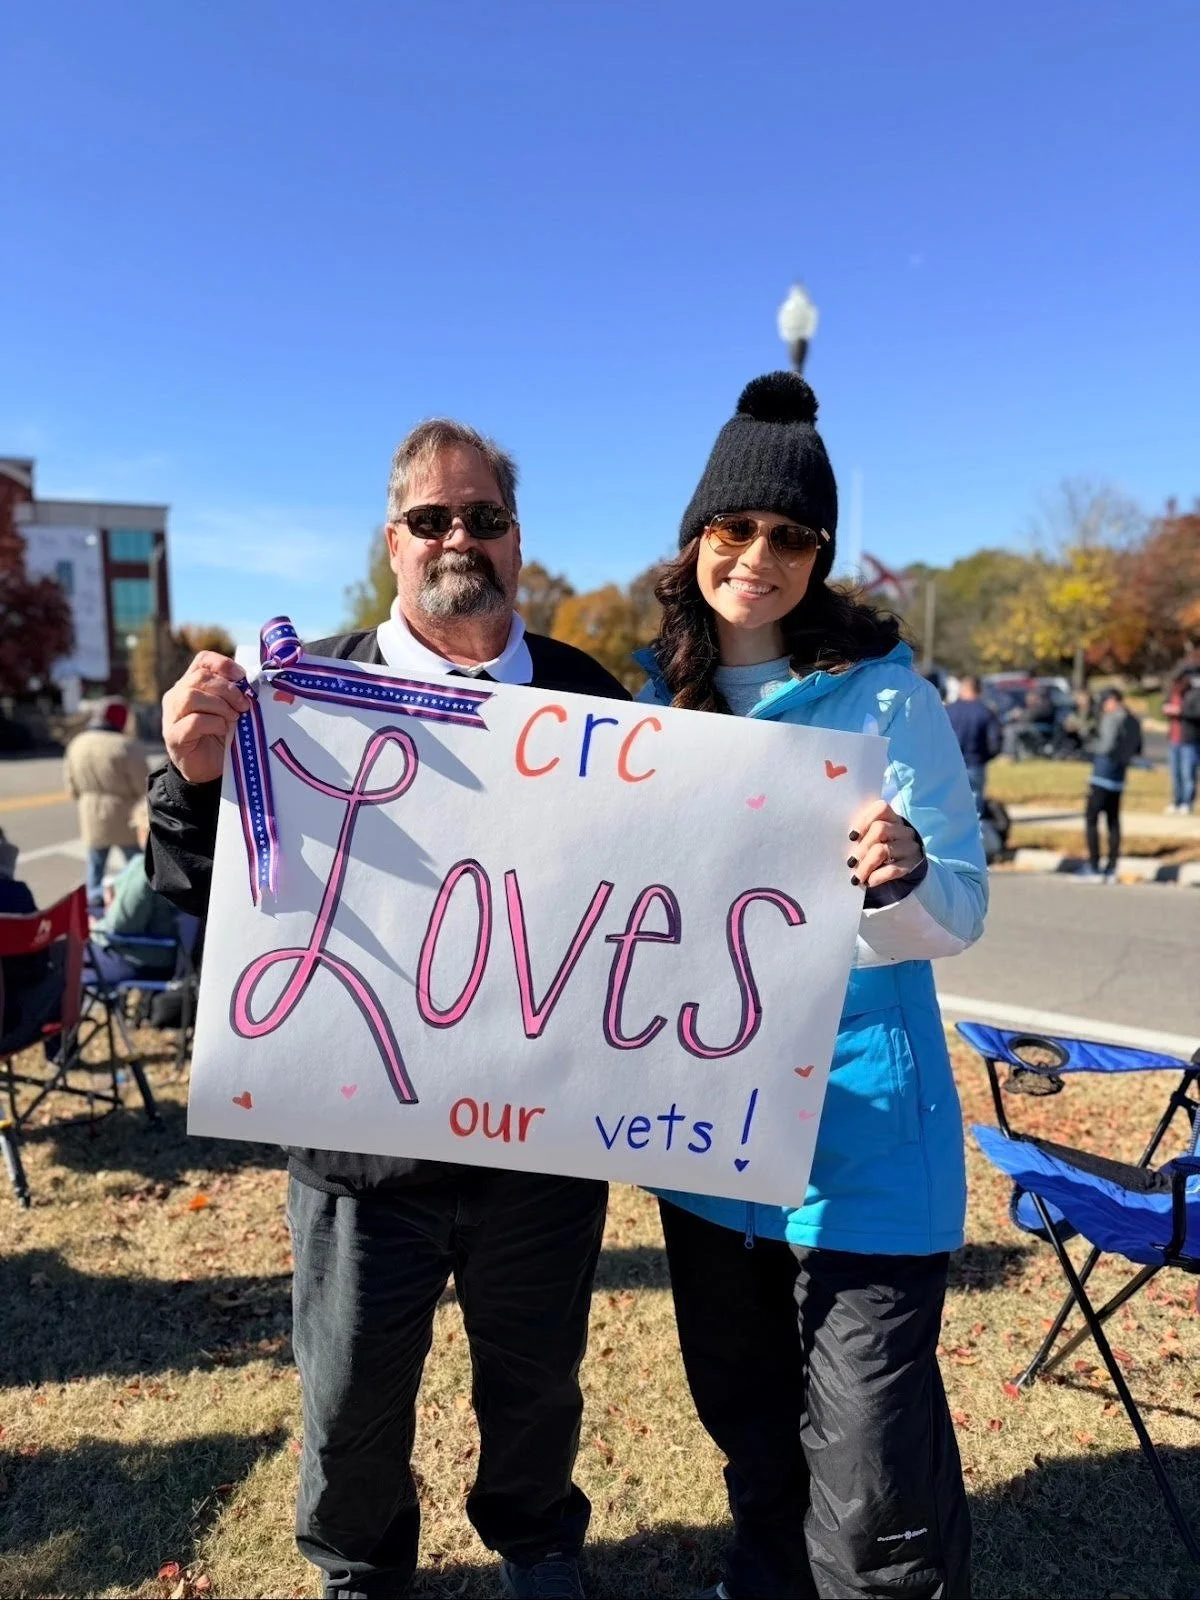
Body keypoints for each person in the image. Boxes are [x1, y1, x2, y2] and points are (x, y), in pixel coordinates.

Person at [146, 418, 629, 1600]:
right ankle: (359, 1566)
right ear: (393, 543)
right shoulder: (306, 692)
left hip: (542, 1144)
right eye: (432, 518)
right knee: (352, 1391)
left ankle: (538, 1542)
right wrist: (188, 778)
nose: (458, 537)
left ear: (519, 541)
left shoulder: (592, 698)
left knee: (537, 1378)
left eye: (483, 517)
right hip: (362, 1146)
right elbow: (204, 882)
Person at [635, 372, 986, 1600]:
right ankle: (763, 1573)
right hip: (706, 1148)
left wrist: (901, 881)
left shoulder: (891, 698)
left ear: (819, 553)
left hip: (863, 1153)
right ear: (698, 540)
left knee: (870, 1484)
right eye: (737, 529)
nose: (761, 556)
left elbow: (962, 916)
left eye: (792, 535)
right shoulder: (650, 711)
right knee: (748, 1426)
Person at [63, 697, 147, 910]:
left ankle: (94, 903)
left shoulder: (77, 743)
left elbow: (70, 784)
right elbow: (144, 785)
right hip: (125, 813)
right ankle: (135, 901)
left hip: (90, 811)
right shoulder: (126, 746)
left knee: (95, 863)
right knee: (135, 863)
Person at [86, 801, 180, 987]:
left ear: (145, 832)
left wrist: (93, 927)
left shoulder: (146, 868)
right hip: (175, 952)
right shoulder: (180, 862)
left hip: (145, 959)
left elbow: (116, 928)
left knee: (68, 958)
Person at [0, 828, 59, 1040]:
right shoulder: (18, 894)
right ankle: (60, 1053)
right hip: (17, 1022)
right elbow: (39, 963)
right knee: (64, 953)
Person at [1079, 688, 1142, 883]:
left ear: (1113, 701)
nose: (1104, 706)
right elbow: (1138, 747)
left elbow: (1105, 746)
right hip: (1119, 776)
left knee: (1091, 819)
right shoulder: (1133, 721)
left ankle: (1093, 865)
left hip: (1102, 774)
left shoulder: (1112, 719)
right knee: (1113, 821)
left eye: (1105, 702)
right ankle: (1112, 866)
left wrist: (1090, 746)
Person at [945, 675, 1002, 816]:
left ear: (963, 689)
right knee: (976, 807)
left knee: (949, 804)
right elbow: (995, 741)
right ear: (979, 690)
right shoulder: (986, 712)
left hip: (950, 765)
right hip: (975, 763)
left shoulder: (948, 711)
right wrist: (984, 757)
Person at [1163, 669, 1200, 815]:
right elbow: (1165, 706)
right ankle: (1176, 801)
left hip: (1189, 739)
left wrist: (1181, 711)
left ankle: (1187, 802)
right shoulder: (1174, 695)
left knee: (1187, 773)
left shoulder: (1194, 695)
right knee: (1175, 773)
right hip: (1174, 738)